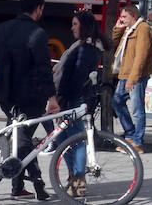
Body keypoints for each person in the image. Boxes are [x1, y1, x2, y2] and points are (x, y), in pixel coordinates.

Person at [0, 0, 59, 201]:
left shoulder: (4, 27)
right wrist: (52, 98)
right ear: (39, 9)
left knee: (18, 137)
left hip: (6, 93)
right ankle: (38, 183)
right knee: (23, 138)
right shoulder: (38, 34)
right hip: (30, 95)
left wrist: (5, 65)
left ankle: (19, 187)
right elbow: (44, 69)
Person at [54, 11, 107, 199]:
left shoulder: (86, 49)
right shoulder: (84, 46)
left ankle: (78, 182)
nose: (72, 27)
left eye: (75, 24)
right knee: (62, 139)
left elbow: (76, 77)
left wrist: (63, 98)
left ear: (84, 26)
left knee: (74, 140)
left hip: (74, 98)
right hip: (72, 98)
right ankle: (74, 177)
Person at [110, 3, 152, 153]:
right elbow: (114, 42)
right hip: (125, 73)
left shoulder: (143, 29)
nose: (122, 19)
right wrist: (118, 28)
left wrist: (133, 78)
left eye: (124, 17)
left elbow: (141, 56)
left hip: (136, 75)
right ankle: (130, 134)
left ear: (133, 16)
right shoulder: (129, 28)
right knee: (117, 101)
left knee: (137, 109)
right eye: (121, 16)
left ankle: (138, 142)